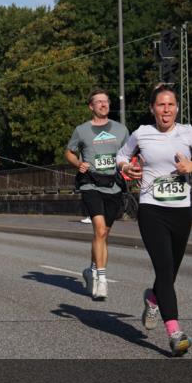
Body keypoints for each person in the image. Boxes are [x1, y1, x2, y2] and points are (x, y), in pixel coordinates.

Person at [116, 83, 192, 357]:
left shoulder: (187, 132)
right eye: (161, 105)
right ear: (152, 108)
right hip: (151, 210)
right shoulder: (142, 133)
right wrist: (128, 167)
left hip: (181, 212)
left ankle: (153, 298)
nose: (166, 110)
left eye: (171, 105)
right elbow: (121, 157)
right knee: (164, 270)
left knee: (171, 272)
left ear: (177, 108)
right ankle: (175, 333)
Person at [65, 88, 129, 301]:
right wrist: (78, 163)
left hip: (113, 185)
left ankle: (91, 269)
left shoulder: (121, 130)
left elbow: (129, 153)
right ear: (91, 106)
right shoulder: (82, 130)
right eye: (99, 102)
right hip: (90, 183)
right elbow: (69, 152)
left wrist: (132, 167)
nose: (103, 104)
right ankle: (101, 280)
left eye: (106, 101)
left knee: (104, 234)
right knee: (100, 230)